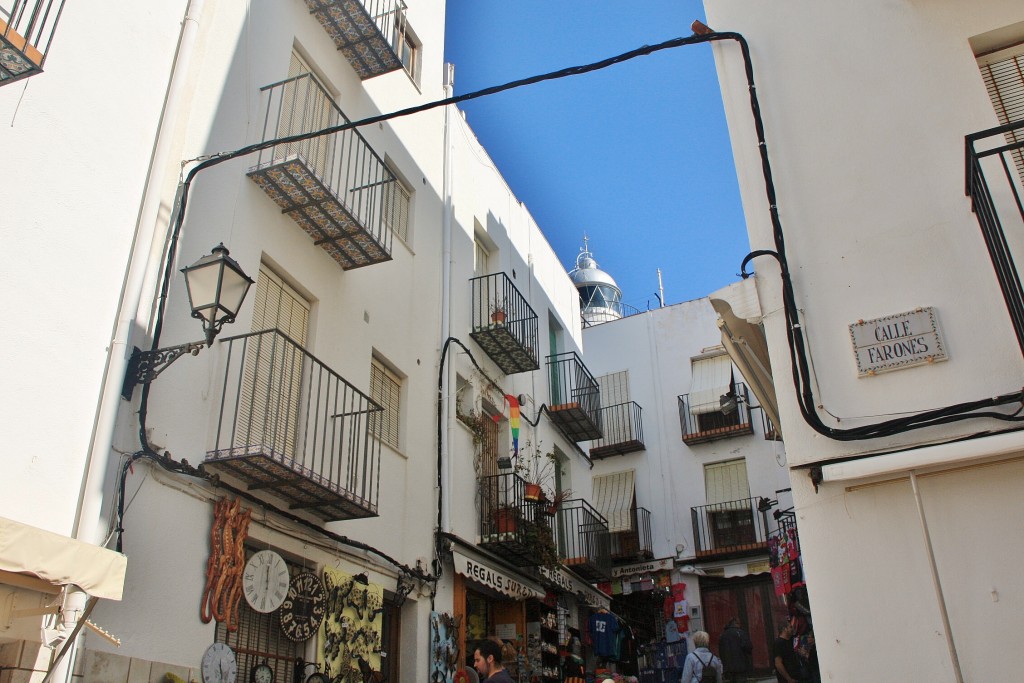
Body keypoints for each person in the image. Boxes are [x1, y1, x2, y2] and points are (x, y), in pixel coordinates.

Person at [718, 617, 753, 683]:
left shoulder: (723, 635)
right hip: (740, 667)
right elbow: (748, 647)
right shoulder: (740, 633)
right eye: (739, 623)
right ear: (736, 624)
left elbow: (721, 651)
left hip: (728, 668)